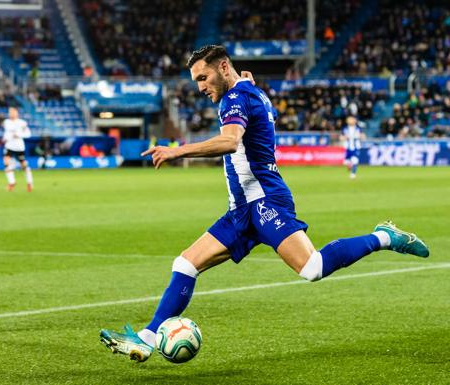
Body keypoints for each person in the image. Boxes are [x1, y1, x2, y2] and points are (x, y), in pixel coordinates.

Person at [99, 45, 429, 362]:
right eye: (196, 80)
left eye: (203, 78)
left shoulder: (237, 97)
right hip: (240, 210)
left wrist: (176, 150)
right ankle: (147, 339)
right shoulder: (245, 91)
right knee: (185, 264)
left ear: (223, 68)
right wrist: (243, 83)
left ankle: (384, 236)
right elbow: (247, 102)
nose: (199, 87)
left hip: (264, 202)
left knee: (312, 268)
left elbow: (230, 141)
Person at [2, 107, 33, 192]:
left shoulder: (22, 123)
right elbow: (6, 133)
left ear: (17, 113)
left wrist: (19, 135)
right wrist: (4, 138)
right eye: (10, 112)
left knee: (24, 165)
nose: (11, 114)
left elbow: (28, 134)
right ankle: (12, 182)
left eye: (12, 112)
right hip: (9, 146)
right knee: (6, 161)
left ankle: (29, 182)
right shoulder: (6, 122)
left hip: (19, 147)